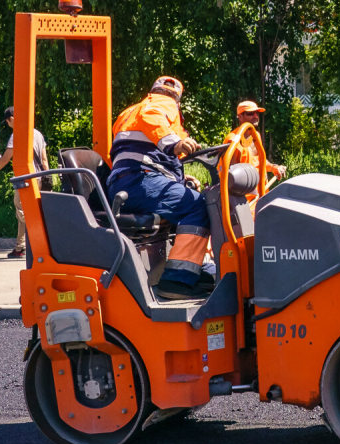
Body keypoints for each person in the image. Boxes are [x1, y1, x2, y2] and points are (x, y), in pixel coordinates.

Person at [105, 76, 210, 300]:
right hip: (139, 180)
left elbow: (133, 153)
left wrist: (176, 178)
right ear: (177, 100)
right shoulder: (161, 104)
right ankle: (178, 280)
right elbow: (153, 120)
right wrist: (173, 142)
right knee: (198, 206)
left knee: (188, 198)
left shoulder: (129, 112)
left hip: (128, 180)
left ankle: (186, 271)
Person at [0, 106, 49, 260]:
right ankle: (21, 246)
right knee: (31, 212)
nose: (8, 124)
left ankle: (37, 243)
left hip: (24, 180)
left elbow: (4, 160)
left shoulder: (17, 136)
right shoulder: (37, 134)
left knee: (24, 213)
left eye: (8, 121)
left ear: (11, 119)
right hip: (39, 178)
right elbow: (44, 160)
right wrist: (46, 177)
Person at [223, 101, 287, 197]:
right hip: (245, 202)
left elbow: (258, 161)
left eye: (257, 113)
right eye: (250, 113)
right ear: (240, 117)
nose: (255, 116)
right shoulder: (232, 140)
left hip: (261, 196)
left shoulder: (256, 135)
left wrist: (274, 168)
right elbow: (230, 177)